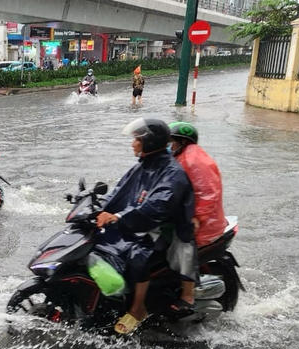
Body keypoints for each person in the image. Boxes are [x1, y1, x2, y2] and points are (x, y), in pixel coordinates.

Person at [95, 118, 195, 335]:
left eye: (137, 140)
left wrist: (119, 216)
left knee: (137, 254)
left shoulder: (172, 172)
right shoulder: (143, 164)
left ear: (149, 143)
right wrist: (97, 207)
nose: (133, 144)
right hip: (136, 220)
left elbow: (158, 205)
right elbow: (118, 192)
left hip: (163, 228)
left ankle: (138, 308)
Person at [167, 122, 227, 311]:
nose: (170, 145)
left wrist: (197, 218)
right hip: (184, 214)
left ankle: (188, 295)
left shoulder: (194, 159)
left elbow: (208, 192)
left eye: (172, 142)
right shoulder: (179, 157)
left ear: (182, 141)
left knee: (182, 244)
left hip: (202, 223)